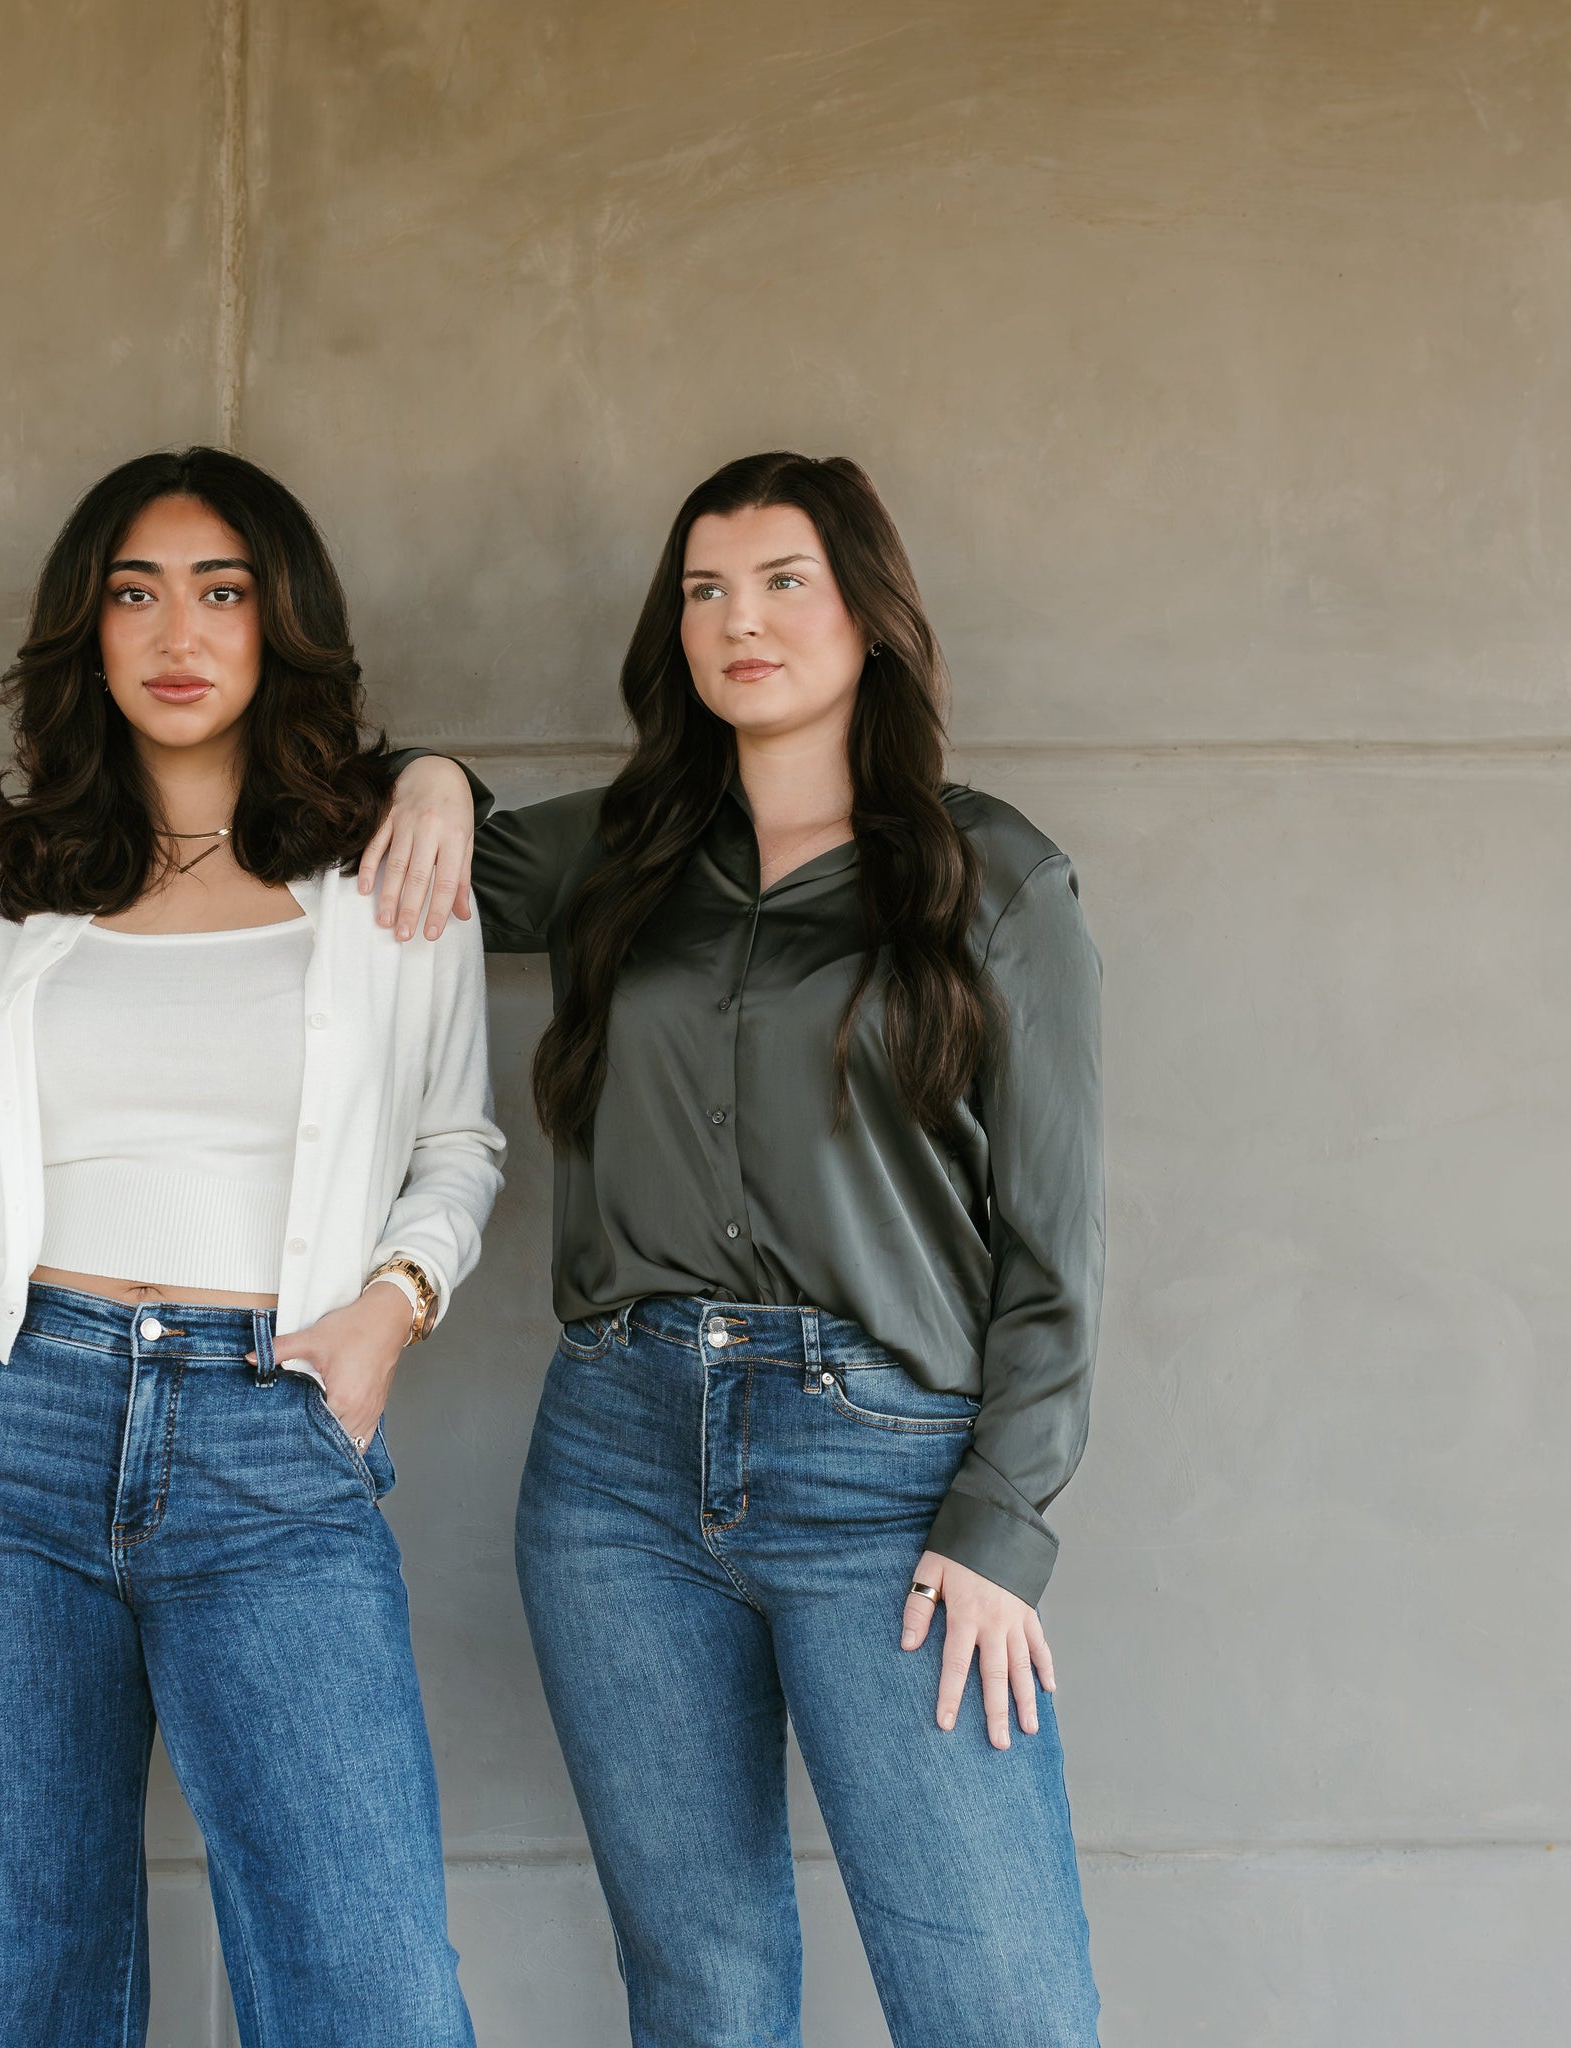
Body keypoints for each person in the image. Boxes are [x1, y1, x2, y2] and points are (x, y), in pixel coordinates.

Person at [368, 450, 1104, 2045]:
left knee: (993, 1994)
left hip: (888, 1484)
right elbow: (411, 851)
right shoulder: (621, 853)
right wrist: (430, 772)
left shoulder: (993, 879)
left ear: (868, 617)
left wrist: (1005, 1523)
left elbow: (1054, 1254)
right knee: (699, 1988)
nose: (738, 621)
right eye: (705, 590)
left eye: (784, 582)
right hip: (616, 1474)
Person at [0, 447, 502, 2047]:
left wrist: (393, 1306)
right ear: (86, 632)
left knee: (366, 1978)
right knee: (16, 1974)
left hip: (269, 1427)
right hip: (7, 1426)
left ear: (279, 625)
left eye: (222, 592)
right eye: (136, 593)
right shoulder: (7, 889)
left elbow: (455, 1144)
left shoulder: (387, 879)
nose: (178, 631)